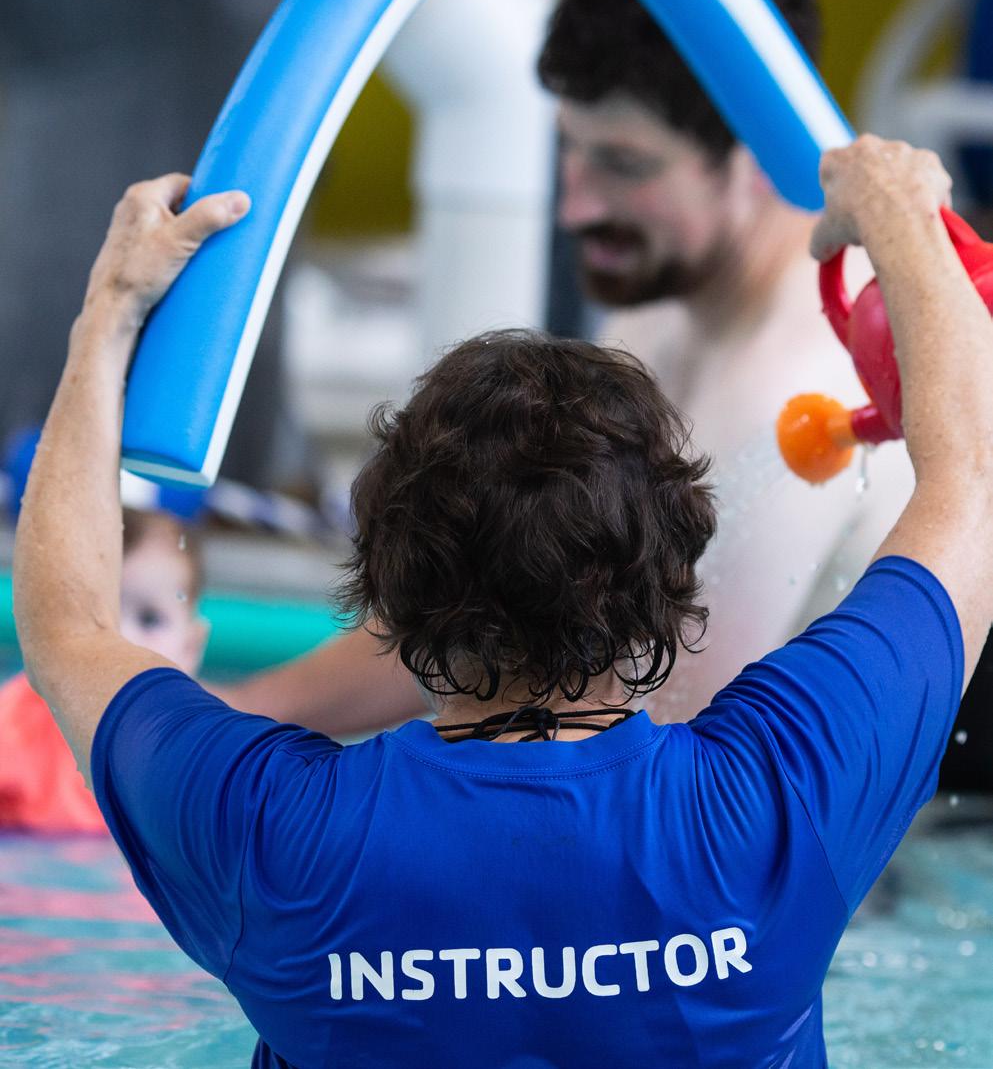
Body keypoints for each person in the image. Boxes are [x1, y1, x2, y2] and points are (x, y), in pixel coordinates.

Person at [13, 138, 993, 1066]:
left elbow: (68, 625)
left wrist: (111, 311)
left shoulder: (273, 832)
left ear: (390, 590)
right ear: (671, 579)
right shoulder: (780, 795)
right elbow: (974, 481)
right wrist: (901, 214)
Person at [216, 0, 919, 736]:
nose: (575, 206)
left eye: (623, 164)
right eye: (568, 151)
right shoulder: (661, 301)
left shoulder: (801, 382)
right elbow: (501, 608)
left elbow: (670, 732)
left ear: (759, 153)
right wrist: (229, 717)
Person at [0, 508, 206, 833]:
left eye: (149, 619)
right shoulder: (17, 723)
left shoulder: (197, 751)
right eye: (94, 615)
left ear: (190, 647)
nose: (119, 638)